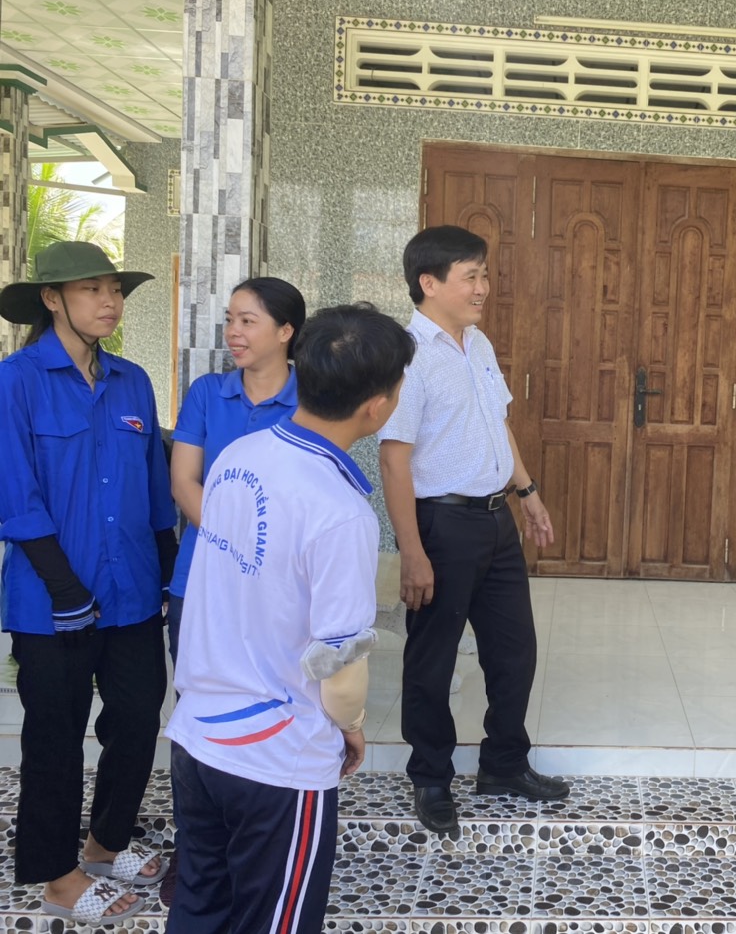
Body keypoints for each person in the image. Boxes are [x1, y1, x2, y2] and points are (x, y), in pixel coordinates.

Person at [163, 303, 415, 933]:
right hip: (276, 760)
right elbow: (340, 662)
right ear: (377, 407)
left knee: (199, 908)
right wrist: (351, 726)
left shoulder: (238, 456)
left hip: (196, 737)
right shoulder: (341, 510)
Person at [0, 241, 175, 923]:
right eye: (92, 289)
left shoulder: (132, 381)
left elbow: (156, 491)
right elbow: (14, 494)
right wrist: (64, 588)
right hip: (51, 601)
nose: (110, 302)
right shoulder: (17, 380)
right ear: (52, 299)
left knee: (136, 719)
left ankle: (104, 844)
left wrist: (166, 571)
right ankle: (58, 877)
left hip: (131, 591)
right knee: (55, 735)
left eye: (115, 289)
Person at [379, 225, 569, 839]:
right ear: (429, 283)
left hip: (495, 518)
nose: (483, 287)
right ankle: (431, 777)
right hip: (442, 523)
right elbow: (394, 459)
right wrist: (411, 550)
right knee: (432, 659)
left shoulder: (478, 342)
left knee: (515, 651)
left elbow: (498, 424)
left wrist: (527, 492)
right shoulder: (407, 355)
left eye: (485, 274)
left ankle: (504, 764)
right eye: (471, 276)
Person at [168, 278, 305, 661]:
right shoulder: (206, 393)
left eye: (247, 321)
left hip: (279, 585)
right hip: (201, 576)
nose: (232, 332)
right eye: (230, 320)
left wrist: (262, 557)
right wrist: (237, 546)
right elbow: (184, 482)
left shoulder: (311, 402)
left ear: (285, 331)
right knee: (197, 690)